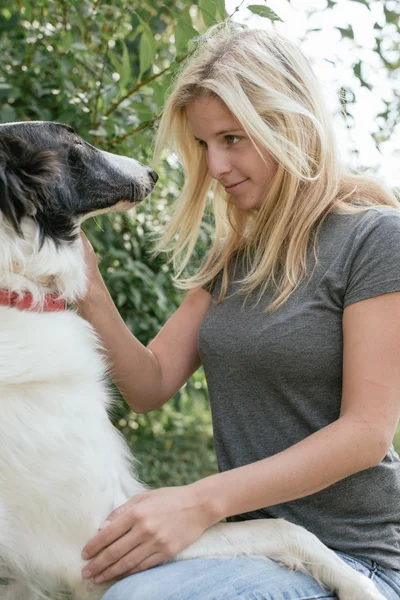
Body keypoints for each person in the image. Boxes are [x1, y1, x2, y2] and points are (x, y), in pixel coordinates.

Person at [77, 23, 400, 600]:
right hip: (258, 549)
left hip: (356, 562)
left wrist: (199, 500)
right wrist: (89, 284)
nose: (216, 166)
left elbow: (366, 434)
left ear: (290, 124)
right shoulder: (234, 258)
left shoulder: (374, 239)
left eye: (232, 138)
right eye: (204, 145)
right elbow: (149, 385)